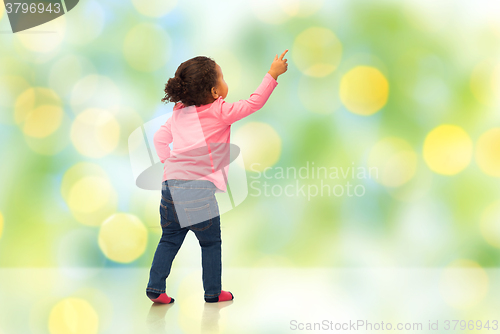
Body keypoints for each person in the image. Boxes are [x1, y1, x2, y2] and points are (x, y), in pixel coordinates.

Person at [146, 50, 289, 304]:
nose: (225, 80)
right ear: (214, 92)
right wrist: (272, 74)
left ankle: (155, 288)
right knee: (210, 243)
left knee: (168, 238)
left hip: (170, 186)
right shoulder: (219, 111)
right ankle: (213, 292)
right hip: (198, 189)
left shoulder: (179, 111)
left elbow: (159, 139)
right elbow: (254, 102)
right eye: (221, 77)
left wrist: (171, 165)